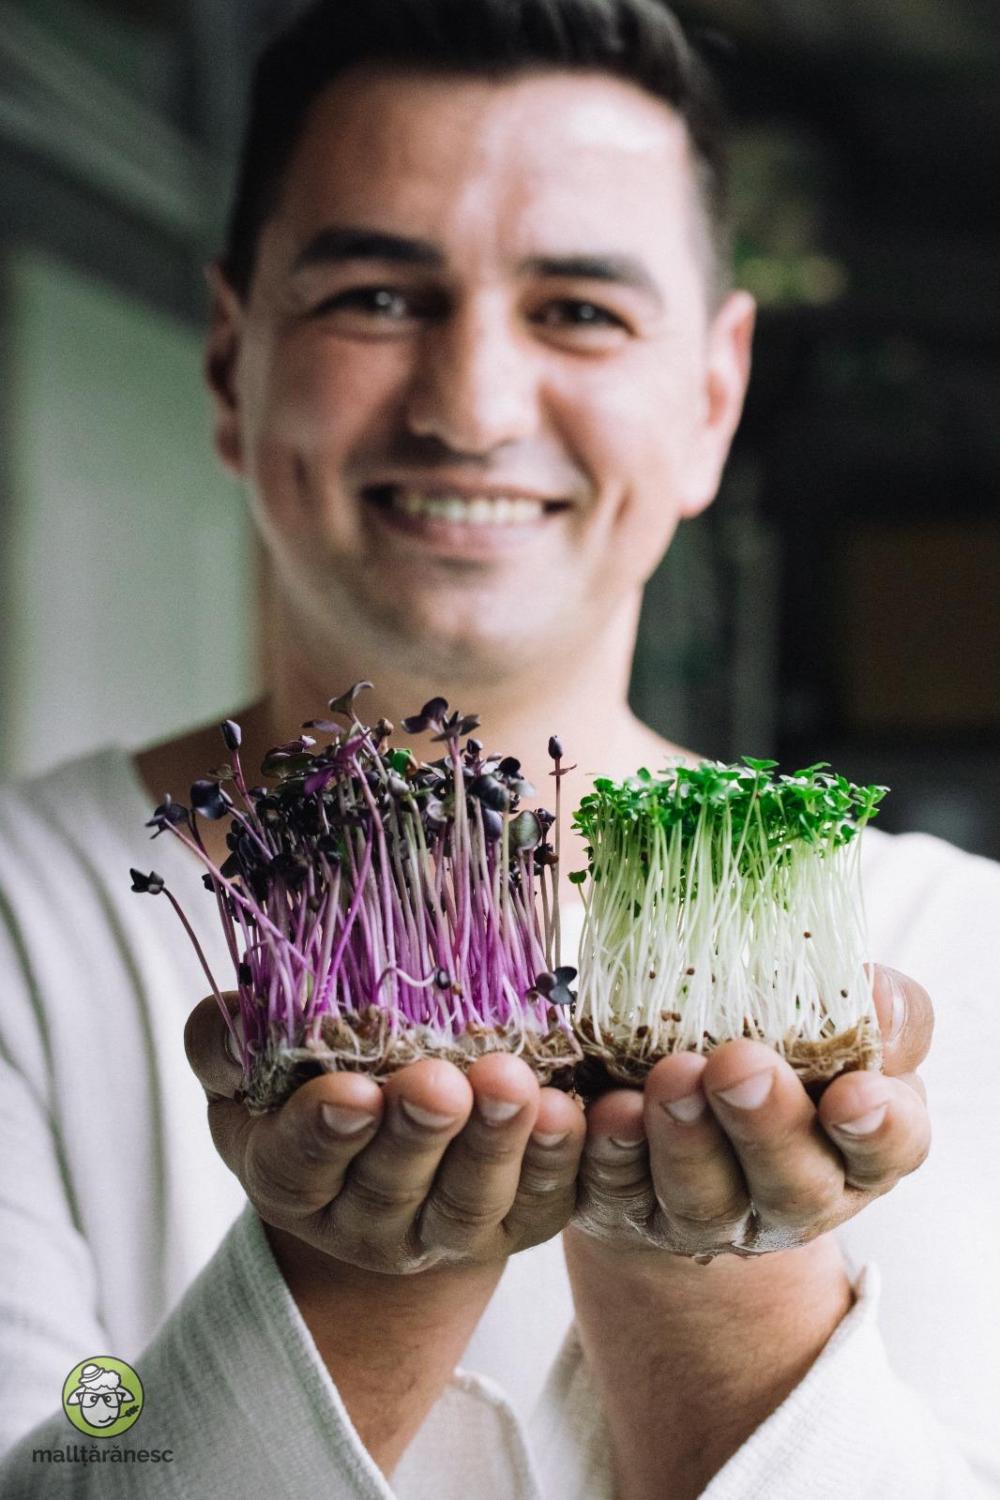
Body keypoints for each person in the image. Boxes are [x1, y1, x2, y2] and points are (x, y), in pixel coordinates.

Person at [1, 2, 998, 1495]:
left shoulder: (959, 954)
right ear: (227, 360)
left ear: (713, 394)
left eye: (580, 311)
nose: (470, 407)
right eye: (376, 298)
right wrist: (355, 1279)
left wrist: (712, 1276)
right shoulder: (21, 926)